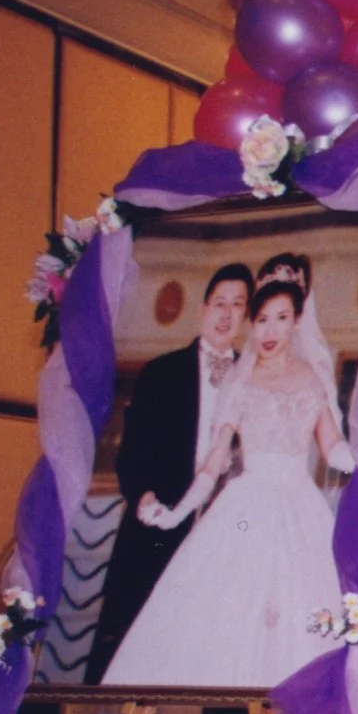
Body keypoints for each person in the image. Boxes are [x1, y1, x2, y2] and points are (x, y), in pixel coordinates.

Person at [102, 271, 354, 689]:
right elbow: (213, 464)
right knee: (223, 614)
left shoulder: (311, 380)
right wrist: (177, 512)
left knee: (296, 611)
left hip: (298, 510)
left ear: (296, 322)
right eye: (262, 319)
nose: (270, 330)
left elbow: (333, 447)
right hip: (244, 510)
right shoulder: (242, 382)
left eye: (281, 318)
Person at [87, 262, 250, 683]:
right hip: (157, 530)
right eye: (219, 303)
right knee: (135, 652)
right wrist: (144, 496)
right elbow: (131, 455)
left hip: (223, 537)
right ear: (203, 308)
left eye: (237, 305)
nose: (226, 315)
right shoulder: (161, 372)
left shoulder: (254, 381)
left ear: (247, 316)